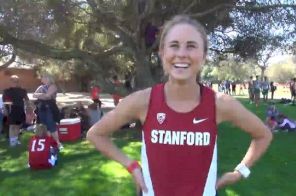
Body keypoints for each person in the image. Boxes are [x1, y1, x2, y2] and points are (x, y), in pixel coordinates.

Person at [87, 15, 272, 195]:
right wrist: (132, 166)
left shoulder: (219, 104)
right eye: (174, 46)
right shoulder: (143, 101)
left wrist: (239, 172)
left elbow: (263, 135)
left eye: (191, 46)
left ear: (204, 56)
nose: (181, 54)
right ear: (162, 53)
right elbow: (96, 134)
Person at [33, 74, 62, 150]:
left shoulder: (53, 86)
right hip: (41, 108)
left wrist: (40, 95)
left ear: (47, 78)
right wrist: (43, 95)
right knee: (44, 126)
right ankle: (48, 144)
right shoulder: (41, 87)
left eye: (42, 77)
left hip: (50, 108)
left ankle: (58, 143)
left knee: (51, 124)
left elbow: (48, 96)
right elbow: (34, 95)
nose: (41, 79)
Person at [2, 75, 29, 146]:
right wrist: (6, 109)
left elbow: (26, 99)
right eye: (13, 81)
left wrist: (28, 107)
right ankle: (12, 142)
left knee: (18, 125)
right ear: (10, 82)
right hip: (11, 110)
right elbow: (5, 102)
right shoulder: (7, 91)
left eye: (17, 81)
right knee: (12, 126)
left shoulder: (22, 90)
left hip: (20, 109)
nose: (15, 82)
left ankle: (16, 139)